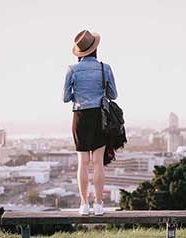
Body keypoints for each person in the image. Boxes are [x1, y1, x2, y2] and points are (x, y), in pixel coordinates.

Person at [63, 30, 118, 216]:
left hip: (80, 116)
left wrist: (77, 94)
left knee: (82, 163)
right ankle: (99, 205)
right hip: (99, 117)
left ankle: (84, 204)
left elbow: (65, 97)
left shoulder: (71, 70)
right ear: (95, 49)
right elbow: (113, 95)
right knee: (97, 163)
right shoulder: (105, 68)